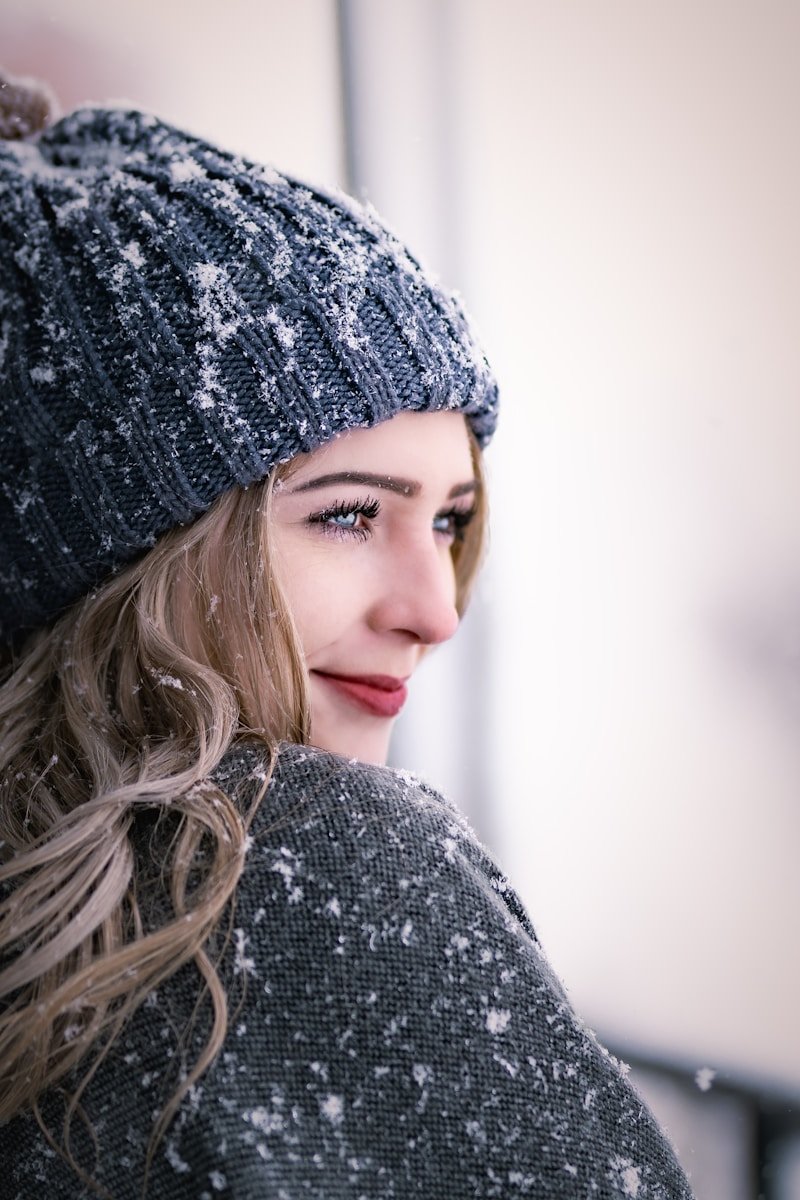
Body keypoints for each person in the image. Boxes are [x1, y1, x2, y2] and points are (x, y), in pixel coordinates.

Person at [0, 75, 694, 1199]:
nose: (435, 611)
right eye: (348, 515)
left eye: (449, 521)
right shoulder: (299, 857)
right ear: (117, 548)